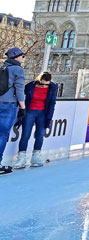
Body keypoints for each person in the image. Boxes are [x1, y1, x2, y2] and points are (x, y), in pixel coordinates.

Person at [12, 71, 58, 169]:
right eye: (42, 84)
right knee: (25, 135)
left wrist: (49, 116)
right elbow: (21, 95)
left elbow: (52, 102)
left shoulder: (53, 88)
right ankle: (21, 158)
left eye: (47, 84)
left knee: (40, 135)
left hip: (43, 114)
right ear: (39, 80)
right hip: (30, 112)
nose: (45, 86)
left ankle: (36, 157)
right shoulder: (30, 86)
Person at [1, 47, 27, 175]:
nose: (23, 58)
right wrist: (23, 107)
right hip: (8, 105)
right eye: (22, 56)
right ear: (17, 57)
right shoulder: (18, 70)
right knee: (2, 134)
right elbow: (20, 90)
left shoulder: (2, 68)